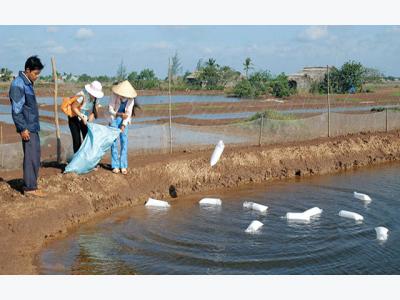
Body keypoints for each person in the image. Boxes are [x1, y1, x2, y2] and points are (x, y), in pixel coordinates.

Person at [9, 56, 46, 197]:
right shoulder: (18, 84)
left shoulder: (27, 82)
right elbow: (16, 110)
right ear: (28, 70)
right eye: (36, 73)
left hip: (33, 126)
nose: (37, 76)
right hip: (27, 127)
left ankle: (32, 185)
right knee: (31, 157)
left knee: (35, 156)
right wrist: (22, 128)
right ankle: (30, 188)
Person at [109, 80, 137, 175]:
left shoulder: (130, 99)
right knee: (113, 142)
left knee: (124, 142)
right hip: (114, 118)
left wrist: (123, 125)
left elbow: (128, 113)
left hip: (124, 120)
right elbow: (110, 109)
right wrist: (119, 114)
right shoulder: (114, 95)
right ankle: (115, 165)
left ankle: (123, 165)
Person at [68, 80, 104, 153]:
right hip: (74, 116)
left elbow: (95, 109)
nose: (95, 96)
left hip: (84, 117)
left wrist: (90, 118)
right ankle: (77, 160)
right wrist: (82, 118)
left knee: (86, 138)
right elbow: (73, 107)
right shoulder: (82, 95)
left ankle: (85, 158)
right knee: (77, 140)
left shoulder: (96, 98)